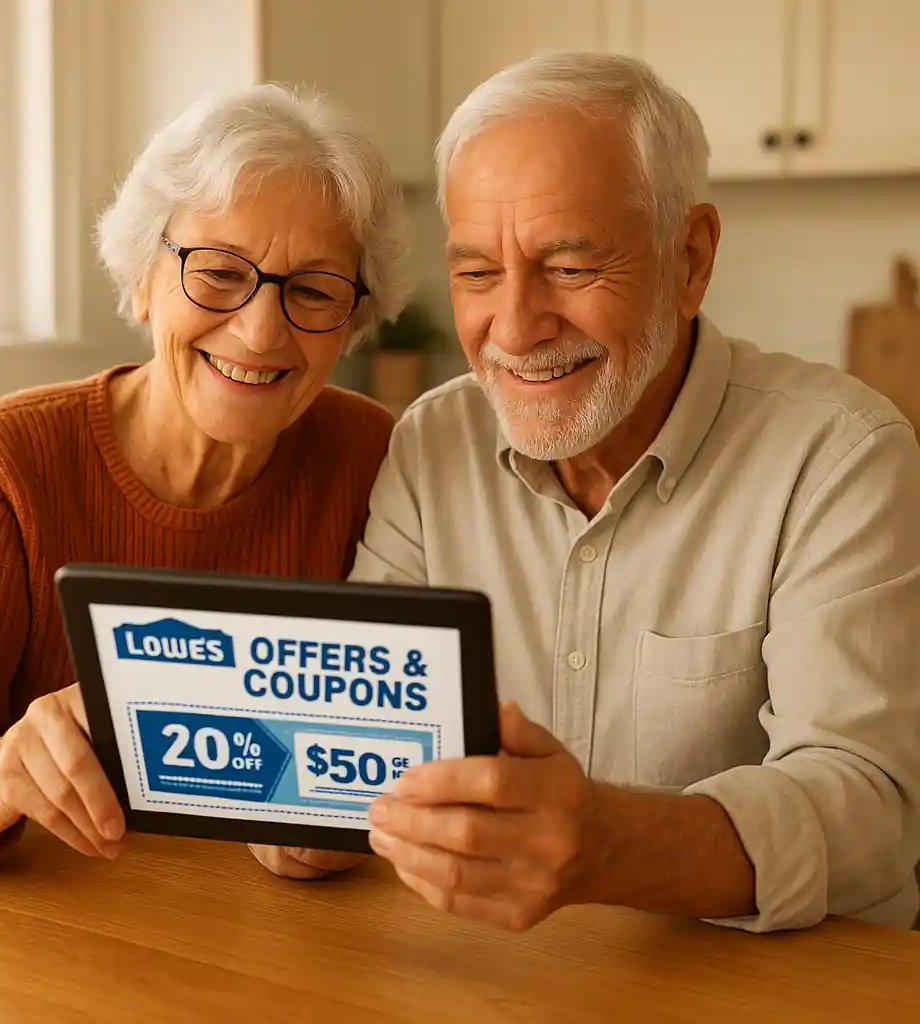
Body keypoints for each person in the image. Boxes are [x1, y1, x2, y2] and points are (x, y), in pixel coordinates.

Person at [347, 53, 920, 933]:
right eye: (475, 274)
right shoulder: (432, 443)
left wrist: (609, 847)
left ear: (690, 259)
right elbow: (356, 732)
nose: (514, 327)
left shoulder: (841, 454)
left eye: (570, 269)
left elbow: (873, 810)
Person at [0, 83, 410, 876]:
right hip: (54, 927)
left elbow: (409, 743)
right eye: (218, 272)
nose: (261, 329)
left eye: (312, 289)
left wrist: (348, 820)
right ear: (141, 278)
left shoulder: (377, 458)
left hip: (284, 944)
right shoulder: (9, 457)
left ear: (354, 321)